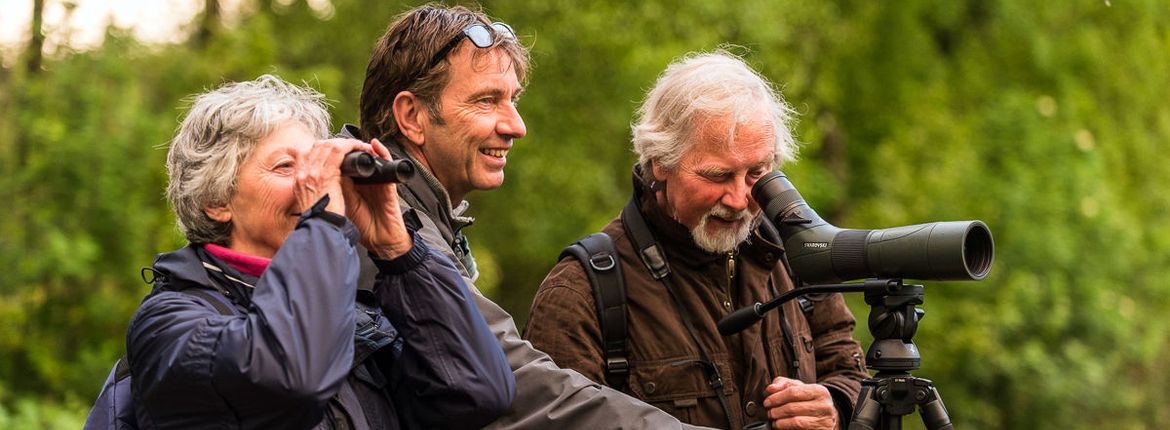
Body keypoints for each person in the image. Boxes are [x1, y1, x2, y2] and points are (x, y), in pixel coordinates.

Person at [339, 4, 712, 429]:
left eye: (512, 100)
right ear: (412, 116)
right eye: (486, 101)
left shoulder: (408, 209)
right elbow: (515, 382)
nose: (516, 125)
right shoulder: (374, 218)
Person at [119, 75, 514, 429]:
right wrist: (324, 221)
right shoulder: (170, 323)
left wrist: (399, 253)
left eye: (315, 165)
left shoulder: (354, 313)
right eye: (286, 166)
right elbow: (292, 378)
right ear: (217, 200)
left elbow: (477, 394)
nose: (314, 181)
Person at [523, 51, 869, 430]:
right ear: (660, 162)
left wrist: (835, 406)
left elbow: (849, 370)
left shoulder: (799, 255)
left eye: (757, 172)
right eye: (718, 176)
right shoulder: (581, 292)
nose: (740, 200)